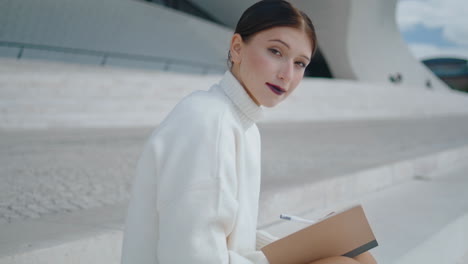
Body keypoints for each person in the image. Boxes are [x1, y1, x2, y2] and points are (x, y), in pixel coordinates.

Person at [121, 1, 377, 263]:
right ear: (237, 48)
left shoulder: (244, 126)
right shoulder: (209, 122)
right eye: (276, 52)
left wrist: (303, 246)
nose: (287, 74)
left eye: (300, 63)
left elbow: (227, 233)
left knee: (357, 253)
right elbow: (191, 255)